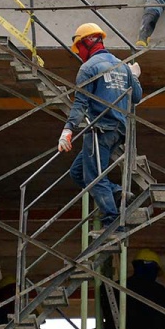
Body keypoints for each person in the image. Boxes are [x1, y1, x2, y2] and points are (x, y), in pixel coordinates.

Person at [58, 23, 143, 234]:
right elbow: (137, 97)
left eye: (79, 48)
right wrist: (134, 78)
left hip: (100, 130)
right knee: (78, 172)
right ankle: (118, 193)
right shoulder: (122, 66)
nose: (80, 54)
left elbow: (80, 103)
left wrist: (68, 130)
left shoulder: (88, 68)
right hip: (119, 131)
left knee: (94, 177)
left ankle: (113, 221)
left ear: (88, 42)